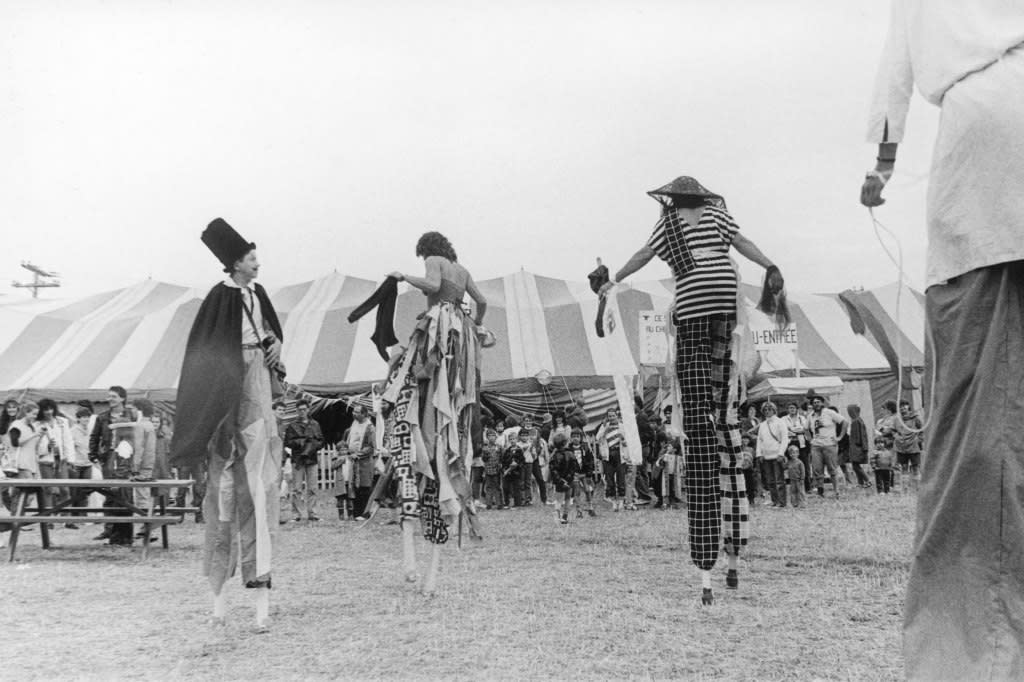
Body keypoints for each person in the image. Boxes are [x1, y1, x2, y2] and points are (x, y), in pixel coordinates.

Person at [861, 5, 1024, 676]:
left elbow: (891, 92)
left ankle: (957, 658)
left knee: (967, 434)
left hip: (980, 160)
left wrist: (879, 169)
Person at [599, 176, 783, 602]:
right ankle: (731, 562)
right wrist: (770, 265)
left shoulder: (668, 224)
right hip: (724, 304)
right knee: (721, 405)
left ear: (671, 200)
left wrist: (616, 279)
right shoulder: (718, 215)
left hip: (693, 306)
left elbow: (644, 254)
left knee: (697, 410)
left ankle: (705, 565)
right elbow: (744, 244)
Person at [170, 218, 284, 631]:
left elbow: (273, 331)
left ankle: (261, 598)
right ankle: (219, 597)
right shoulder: (219, 298)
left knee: (259, 486)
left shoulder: (259, 294)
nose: (258, 264)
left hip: (255, 384)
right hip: (228, 385)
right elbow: (205, 351)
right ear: (236, 262)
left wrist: (275, 345)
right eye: (252, 258)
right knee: (223, 493)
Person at [383, 230, 487, 595]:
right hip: (460, 338)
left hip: (439, 331)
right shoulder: (462, 269)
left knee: (418, 368)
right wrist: (472, 324)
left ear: (426, 249)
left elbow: (431, 283)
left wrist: (403, 277)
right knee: (454, 391)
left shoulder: (434, 262)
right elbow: (482, 301)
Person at [89, 387, 138, 546]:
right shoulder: (102, 417)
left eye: (114, 396)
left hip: (125, 456)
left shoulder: (132, 415)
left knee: (124, 494)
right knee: (110, 493)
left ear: (123, 398)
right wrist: (93, 455)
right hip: (108, 456)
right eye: (109, 396)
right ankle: (110, 531)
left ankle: (125, 535)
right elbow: (95, 436)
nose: (110, 399)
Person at [285, 398, 323, 522]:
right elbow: (288, 442)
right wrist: (301, 442)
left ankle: (313, 513)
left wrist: (312, 446)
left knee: (312, 487)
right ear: (297, 411)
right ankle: (297, 514)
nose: (302, 412)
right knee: (296, 488)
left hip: (311, 458)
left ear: (308, 409)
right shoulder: (292, 425)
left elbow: (321, 441)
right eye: (299, 410)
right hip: (298, 458)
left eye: (304, 409)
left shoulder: (315, 424)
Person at [337, 404, 374, 520]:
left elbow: (371, 446)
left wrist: (358, 454)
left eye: (357, 412)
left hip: (364, 461)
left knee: (364, 486)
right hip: (352, 461)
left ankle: (365, 513)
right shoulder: (353, 426)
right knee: (355, 487)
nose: (354, 413)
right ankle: (357, 513)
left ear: (364, 414)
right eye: (354, 411)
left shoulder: (369, 427)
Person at [806, 393, 846, 499]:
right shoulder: (810, 416)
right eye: (814, 403)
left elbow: (844, 422)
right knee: (817, 469)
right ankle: (820, 491)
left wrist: (840, 437)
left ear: (822, 403)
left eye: (818, 402)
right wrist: (810, 440)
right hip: (816, 446)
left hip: (830, 445)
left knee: (832, 469)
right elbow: (805, 429)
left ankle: (836, 491)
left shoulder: (829, 412)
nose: (816, 404)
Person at [755, 402, 787, 508]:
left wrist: (781, 453)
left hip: (777, 454)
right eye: (765, 409)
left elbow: (784, 439)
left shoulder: (780, 422)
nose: (767, 411)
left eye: (769, 409)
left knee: (779, 480)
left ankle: (782, 502)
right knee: (770, 481)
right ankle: (774, 501)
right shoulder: (763, 424)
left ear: (774, 410)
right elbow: (759, 440)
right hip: (766, 456)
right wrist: (759, 454)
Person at [595, 409, 627, 512]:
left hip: (619, 453)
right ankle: (613, 500)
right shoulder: (604, 426)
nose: (611, 418)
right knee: (609, 478)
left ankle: (621, 500)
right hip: (608, 454)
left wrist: (623, 439)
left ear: (617, 416)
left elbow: (628, 440)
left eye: (613, 416)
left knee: (621, 477)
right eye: (610, 416)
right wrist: (605, 429)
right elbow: (598, 438)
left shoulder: (622, 425)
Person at [548, 433, 579, 524]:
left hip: (559, 481)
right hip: (569, 480)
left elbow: (553, 470)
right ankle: (565, 516)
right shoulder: (570, 454)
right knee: (568, 498)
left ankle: (557, 516)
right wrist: (568, 479)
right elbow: (575, 467)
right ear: (565, 443)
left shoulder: (553, 456)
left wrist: (560, 480)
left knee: (558, 499)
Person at [893, 400, 922, 493]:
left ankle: (918, 489)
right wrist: (896, 437)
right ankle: (905, 489)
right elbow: (893, 430)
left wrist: (919, 440)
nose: (902, 408)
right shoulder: (897, 419)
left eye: (904, 406)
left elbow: (922, 429)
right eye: (900, 406)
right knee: (904, 467)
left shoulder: (915, 418)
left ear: (908, 406)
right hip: (901, 447)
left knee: (915, 467)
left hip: (913, 446)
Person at [782, 402, 811, 493]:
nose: (792, 409)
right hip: (790, 442)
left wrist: (793, 430)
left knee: (804, 464)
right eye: (790, 408)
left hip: (801, 443)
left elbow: (805, 428)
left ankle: (807, 487)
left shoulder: (802, 418)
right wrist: (795, 430)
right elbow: (784, 430)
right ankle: (794, 486)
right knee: (792, 465)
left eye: (794, 408)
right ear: (788, 409)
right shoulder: (784, 419)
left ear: (797, 409)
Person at [568, 428, 597, 517]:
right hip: (575, 474)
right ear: (570, 438)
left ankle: (590, 507)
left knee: (588, 490)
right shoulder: (568, 450)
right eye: (573, 437)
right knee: (577, 492)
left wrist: (589, 472)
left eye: (577, 436)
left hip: (584, 473)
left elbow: (590, 461)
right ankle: (579, 510)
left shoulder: (585, 448)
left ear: (581, 438)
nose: (575, 438)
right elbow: (567, 462)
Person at [845, 405, 872, 488]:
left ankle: (867, 480)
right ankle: (860, 483)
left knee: (855, 465)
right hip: (858, 446)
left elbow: (857, 436)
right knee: (856, 465)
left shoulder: (856, 422)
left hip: (856, 447)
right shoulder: (859, 420)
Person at [501, 432, 527, 509]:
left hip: (517, 473)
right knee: (506, 487)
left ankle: (517, 503)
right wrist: (505, 470)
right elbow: (504, 461)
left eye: (514, 439)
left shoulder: (519, 450)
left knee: (517, 488)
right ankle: (506, 502)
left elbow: (523, 461)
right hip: (508, 473)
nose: (512, 441)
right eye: (511, 439)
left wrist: (517, 465)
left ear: (517, 439)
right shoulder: (507, 450)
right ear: (509, 440)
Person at [481, 428, 503, 510]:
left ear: (496, 437)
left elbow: (502, 457)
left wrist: (501, 465)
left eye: (493, 436)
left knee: (497, 487)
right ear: (487, 437)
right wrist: (485, 455)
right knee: (488, 487)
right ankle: (489, 503)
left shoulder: (499, 447)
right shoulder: (485, 448)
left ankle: (499, 503)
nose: (491, 438)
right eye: (489, 436)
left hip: (496, 469)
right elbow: (483, 459)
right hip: (488, 469)